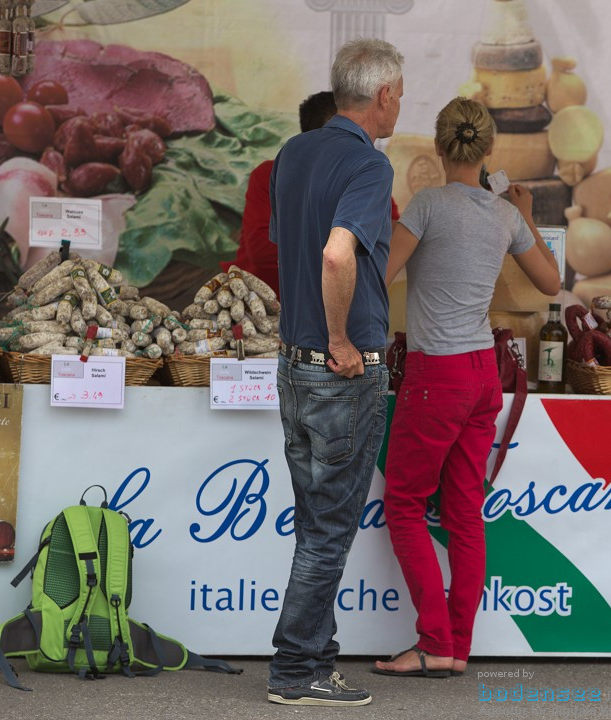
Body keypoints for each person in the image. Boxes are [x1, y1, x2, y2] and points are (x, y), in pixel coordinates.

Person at [374, 97, 560, 678]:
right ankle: (456, 646)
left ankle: (433, 641)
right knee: (464, 514)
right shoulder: (504, 217)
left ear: (438, 146)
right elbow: (552, 283)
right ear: (488, 151)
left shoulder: (428, 205)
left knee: (404, 504)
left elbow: (382, 277)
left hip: (437, 375)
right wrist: (523, 214)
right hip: (483, 374)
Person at [265, 37, 404, 707]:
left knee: (314, 522)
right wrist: (344, 336)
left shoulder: (293, 153)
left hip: (293, 368)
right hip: (338, 372)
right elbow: (335, 253)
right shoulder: (370, 167)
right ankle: (295, 670)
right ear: (382, 96)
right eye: (400, 93)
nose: (400, 104)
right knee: (327, 532)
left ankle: (315, 657)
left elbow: (288, 246)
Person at [227, 92, 399, 296]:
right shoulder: (269, 175)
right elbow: (263, 254)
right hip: (266, 305)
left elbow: (392, 240)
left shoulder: (366, 175)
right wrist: (346, 247)